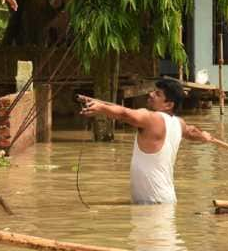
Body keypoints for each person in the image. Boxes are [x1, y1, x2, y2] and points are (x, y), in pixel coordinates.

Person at [79, 79, 212, 204]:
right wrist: (203, 136)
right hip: (165, 200)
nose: (151, 94)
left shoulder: (151, 118)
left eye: (158, 94)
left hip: (153, 202)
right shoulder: (179, 123)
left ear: (169, 104)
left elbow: (125, 114)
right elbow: (190, 132)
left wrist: (102, 108)